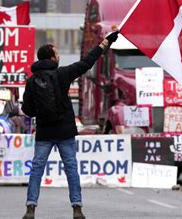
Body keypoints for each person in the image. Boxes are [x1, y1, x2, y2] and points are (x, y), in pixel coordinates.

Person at [21, 30, 119, 219]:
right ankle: (77, 208)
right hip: (65, 131)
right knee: (71, 169)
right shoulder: (63, 74)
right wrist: (105, 43)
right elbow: (87, 62)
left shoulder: (32, 81)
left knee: (37, 169)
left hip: (44, 133)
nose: (59, 57)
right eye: (57, 54)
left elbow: (28, 110)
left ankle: (30, 207)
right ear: (51, 58)